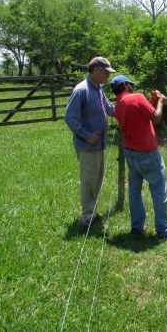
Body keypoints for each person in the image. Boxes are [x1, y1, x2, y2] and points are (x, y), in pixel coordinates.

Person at [110, 74, 167, 239]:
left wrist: (152, 100)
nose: (132, 86)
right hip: (147, 153)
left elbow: (142, 112)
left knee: (134, 191)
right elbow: (155, 117)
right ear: (125, 85)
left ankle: (137, 227)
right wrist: (160, 102)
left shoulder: (119, 104)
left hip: (131, 153)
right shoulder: (137, 97)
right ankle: (163, 230)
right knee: (159, 190)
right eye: (130, 84)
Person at [65, 56, 116, 227]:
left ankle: (93, 210)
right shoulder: (81, 90)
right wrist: (87, 135)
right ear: (96, 71)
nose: (107, 77)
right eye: (106, 73)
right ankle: (87, 216)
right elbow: (70, 117)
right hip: (88, 145)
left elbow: (110, 108)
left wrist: (129, 108)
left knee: (97, 178)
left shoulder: (99, 89)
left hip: (99, 144)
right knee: (89, 179)